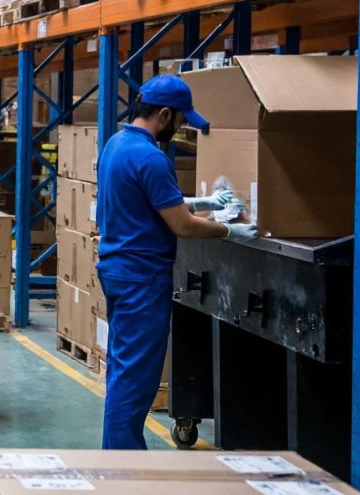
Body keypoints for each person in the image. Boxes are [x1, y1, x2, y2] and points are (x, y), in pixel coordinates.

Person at [95, 73, 257, 450]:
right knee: (136, 379)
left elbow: (152, 202)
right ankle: (124, 465)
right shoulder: (151, 157)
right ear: (164, 114)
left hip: (118, 272)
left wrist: (204, 203)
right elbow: (181, 225)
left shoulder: (116, 145)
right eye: (182, 119)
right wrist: (228, 230)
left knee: (123, 370)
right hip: (142, 279)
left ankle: (119, 455)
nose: (183, 127)